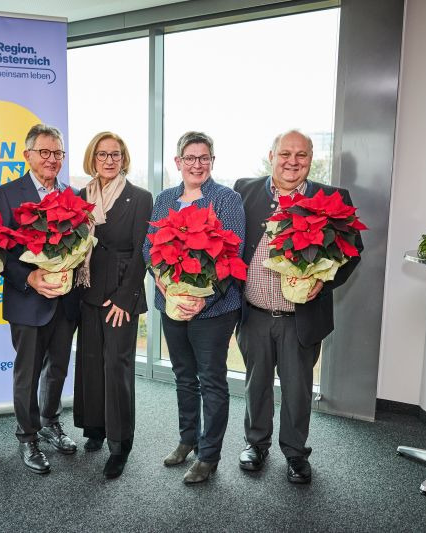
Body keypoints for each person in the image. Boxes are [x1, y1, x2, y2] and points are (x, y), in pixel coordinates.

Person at [234, 129, 363, 484]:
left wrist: (324, 282)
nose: (293, 162)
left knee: (297, 389)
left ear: (310, 159)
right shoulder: (244, 190)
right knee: (256, 384)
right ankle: (256, 444)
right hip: (254, 314)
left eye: (301, 155)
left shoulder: (332, 197)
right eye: (285, 154)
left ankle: (295, 453)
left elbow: (353, 252)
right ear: (271, 155)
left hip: (300, 318)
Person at [142, 131, 245, 484]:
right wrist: (160, 279)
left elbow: (232, 252)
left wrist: (202, 298)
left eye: (204, 158)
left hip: (214, 310)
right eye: (190, 158)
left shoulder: (227, 199)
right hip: (172, 306)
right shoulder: (164, 199)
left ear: (212, 161)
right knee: (184, 377)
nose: (197, 164)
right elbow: (148, 246)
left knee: (211, 380)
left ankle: (208, 455)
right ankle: (188, 439)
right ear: (178, 162)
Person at [0, 124, 80, 475]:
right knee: (27, 372)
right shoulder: (7, 194)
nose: (52, 159)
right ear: (27, 155)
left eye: (58, 153)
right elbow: (0, 252)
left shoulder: (72, 195)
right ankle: (27, 436)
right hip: (27, 299)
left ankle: (50, 422)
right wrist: (29, 277)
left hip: (65, 300)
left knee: (58, 367)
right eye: (44, 152)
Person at [73, 132, 153, 479]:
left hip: (120, 291)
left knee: (116, 366)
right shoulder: (82, 196)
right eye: (102, 154)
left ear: (124, 159)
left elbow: (141, 252)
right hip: (87, 288)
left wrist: (124, 297)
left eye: (115, 154)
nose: (109, 160)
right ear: (93, 158)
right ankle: (95, 428)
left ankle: (120, 444)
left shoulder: (140, 197)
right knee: (90, 360)